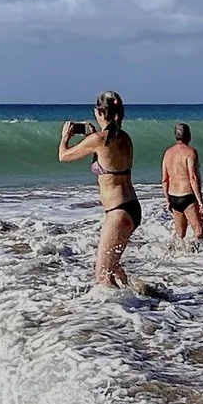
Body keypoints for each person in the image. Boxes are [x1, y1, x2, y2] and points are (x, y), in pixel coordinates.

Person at [58, 91, 138, 287]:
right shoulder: (124, 138)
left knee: (102, 275)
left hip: (118, 211)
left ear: (98, 112)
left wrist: (65, 137)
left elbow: (64, 156)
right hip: (132, 207)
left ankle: (119, 314)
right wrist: (93, 135)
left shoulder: (99, 140)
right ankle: (136, 301)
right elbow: (109, 160)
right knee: (113, 268)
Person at [160, 122, 203, 243]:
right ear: (189, 136)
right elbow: (193, 177)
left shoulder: (167, 153)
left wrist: (167, 200)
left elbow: (165, 179)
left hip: (173, 196)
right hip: (187, 196)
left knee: (180, 234)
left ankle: (174, 257)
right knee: (199, 231)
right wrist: (201, 202)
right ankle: (192, 257)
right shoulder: (190, 152)